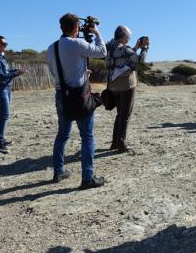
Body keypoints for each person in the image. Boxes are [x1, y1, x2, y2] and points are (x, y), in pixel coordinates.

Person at [46, 13, 107, 190]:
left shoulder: (52, 47)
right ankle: (87, 178)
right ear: (76, 28)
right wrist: (97, 34)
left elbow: (55, 72)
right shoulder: (77, 44)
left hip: (61, 95)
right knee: (87, 136)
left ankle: (58, 171)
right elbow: (102, 52)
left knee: (62, 134)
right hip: (79, 97)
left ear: (61, 27)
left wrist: (80, 73)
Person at [105, 26, 149, 153]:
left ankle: (115, 142)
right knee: (125, 115)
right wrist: (145, 47)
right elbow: (140, 59)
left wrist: (135, 48)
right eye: (128, 38)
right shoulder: (124, 49)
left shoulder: (109, 47)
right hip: (126, 85)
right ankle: (122, 144)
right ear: (123, 37)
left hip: (113, 85)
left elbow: (124, 58)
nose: (129, 40)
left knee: (119, 115)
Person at [0, 36, 25, 154]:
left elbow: (5, 73)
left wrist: (15, 71)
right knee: (4, 115)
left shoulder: (0, 57)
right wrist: (17, 73)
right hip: (1, 88)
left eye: (6, 43)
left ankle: (1, 139)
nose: (5, 45)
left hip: (6, 88)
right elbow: (1, 76)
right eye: (3, 43)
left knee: (4, 115)